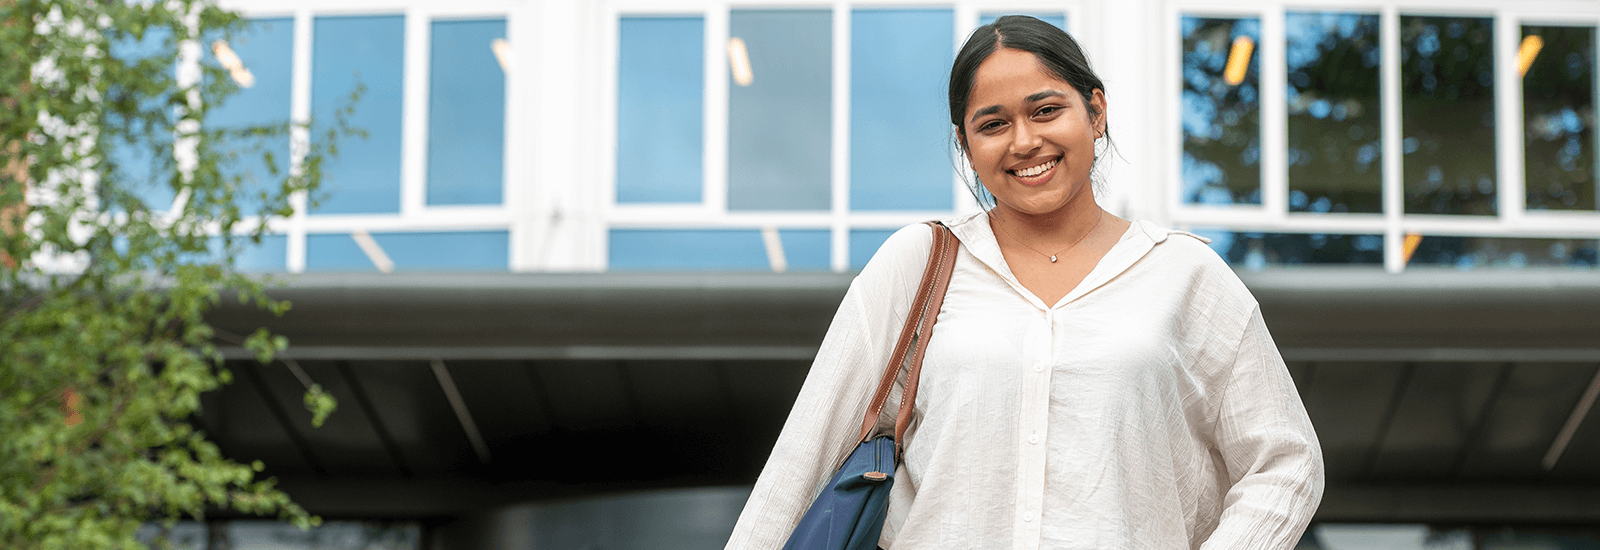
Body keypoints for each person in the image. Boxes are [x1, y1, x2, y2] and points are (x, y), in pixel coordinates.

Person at [725, 15, 1323, 550]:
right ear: (966, 145)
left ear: (1096, 112)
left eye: (1045, 110)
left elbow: (1285, 462)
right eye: (993, 124)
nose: (1024, 141)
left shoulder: (1186, 274)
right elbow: (801, 463)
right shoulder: (917, 264)